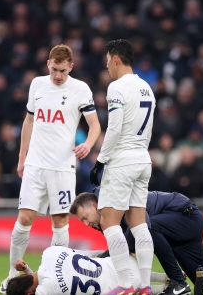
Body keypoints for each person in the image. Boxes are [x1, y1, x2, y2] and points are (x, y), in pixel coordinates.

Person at [0, 44, 101, 293]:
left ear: (71, 67)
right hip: (35, 164)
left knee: (60, 220)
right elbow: (29, 121)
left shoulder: (80, 89)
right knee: (24, 218)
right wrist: (22, 157)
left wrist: (87, 144)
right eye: (55, 69)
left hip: (62, 167)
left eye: (63, 71)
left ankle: (59, 273)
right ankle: (13, 275)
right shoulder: (37, 84)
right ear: (48, 64)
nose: (58, 75)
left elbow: (95, 124)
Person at [89, 39, 156, 295]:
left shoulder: (116, 88)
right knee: (139, 224)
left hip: (123, 160)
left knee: (109, 221)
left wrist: (100, 161)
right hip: (142, 158)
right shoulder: (146, 87)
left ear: (116, 58)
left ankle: (126, 285)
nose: (106, 65)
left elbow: (114, 128)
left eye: (107, 60)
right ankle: (146, 286)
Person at [70, 188, 203, 295]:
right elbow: (124, 256)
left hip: (185, 216)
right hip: (179, 232)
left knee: (143, 229)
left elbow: (136, 233)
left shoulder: (113, 203)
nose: (86, 224)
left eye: (85, 217)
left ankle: (178, 283)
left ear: (95, 206)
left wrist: (102, 259)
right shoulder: (107, 218)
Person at [5, 246, 170, 295]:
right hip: (124, 261)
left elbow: (45, 285)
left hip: (123, 289)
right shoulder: (48, 252)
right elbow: (43, 277)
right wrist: (26, 269)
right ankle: (165, 279)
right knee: (100, 263)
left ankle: (161, 290)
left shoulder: (45, 291)